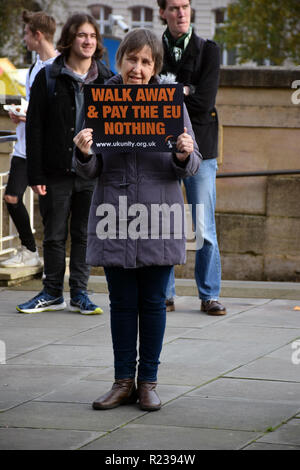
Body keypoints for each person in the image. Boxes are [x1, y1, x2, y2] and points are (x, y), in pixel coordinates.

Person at [73, 28, 201, 411]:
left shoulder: (169, 102)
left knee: (154, 302)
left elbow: (191, 164)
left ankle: (148, 382)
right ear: (120, 60)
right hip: (115, 211)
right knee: (122, 302)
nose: (138, 68)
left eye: (147, 61)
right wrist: (82, 153)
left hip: (159, 213)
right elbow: (87, 169)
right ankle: (122, 382)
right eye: (132, 59)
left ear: (155, 66)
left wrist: (183, 152)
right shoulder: (99, 100)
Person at [16, 13, 113, 314]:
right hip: (56, 170)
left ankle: (80, 293)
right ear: (70, 39)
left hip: (91, 170)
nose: (88, 41)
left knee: (84, 235)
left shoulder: (108, 79)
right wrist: (35, 173)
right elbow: (35, 127)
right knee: (54, 234)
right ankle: (52, 291)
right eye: (82, 35)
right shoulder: (49, 75)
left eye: (93, 36)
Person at [157, 0, 227, 315]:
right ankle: (164, 294)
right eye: (174, 7)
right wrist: (185, 91)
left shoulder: (208, 50)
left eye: (185, 6)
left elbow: (204, 101)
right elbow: (148, 100)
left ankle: (209, 294)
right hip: (161, 146)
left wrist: (176, 92)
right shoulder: (154, 49)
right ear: (163, 12)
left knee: (204, 226)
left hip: (202, 147)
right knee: (164, 223)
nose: (181, 12)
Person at [0, 10, 57, 269]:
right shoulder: (35, 65)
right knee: (12, 197)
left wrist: (30, 117)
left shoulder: (57, 67)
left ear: (38, 35)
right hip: (24, 147)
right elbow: (36, 105)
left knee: (49, 209)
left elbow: (56, 114)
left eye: (26, 34)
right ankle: (30, 250)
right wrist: (22, 113)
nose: (24, 38)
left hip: (42, 150)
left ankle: (42, 259)